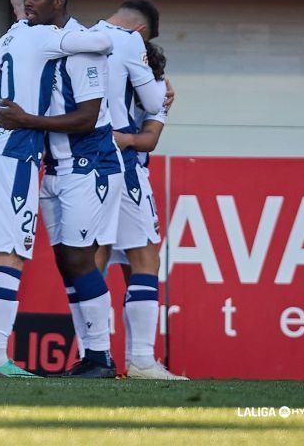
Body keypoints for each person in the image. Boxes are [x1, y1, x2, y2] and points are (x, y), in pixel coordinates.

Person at [0, 0, 114, 378]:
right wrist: (117, 34)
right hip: (18, 152)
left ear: (57, 1)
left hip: (2, 150)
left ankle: (95, 355)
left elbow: (87, 116)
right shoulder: (47, 36)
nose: (28, 2)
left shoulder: (5, 39)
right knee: (10, 253)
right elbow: (104, 40)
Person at [101, 40, 188, 380]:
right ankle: (136, 359)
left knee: (127, 265)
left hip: (116, 173)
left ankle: (118, 358)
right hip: (126, 178)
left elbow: (149, 139)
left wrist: (123, 139)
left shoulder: (155, 90)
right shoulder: (135, 89)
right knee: (142, 261)